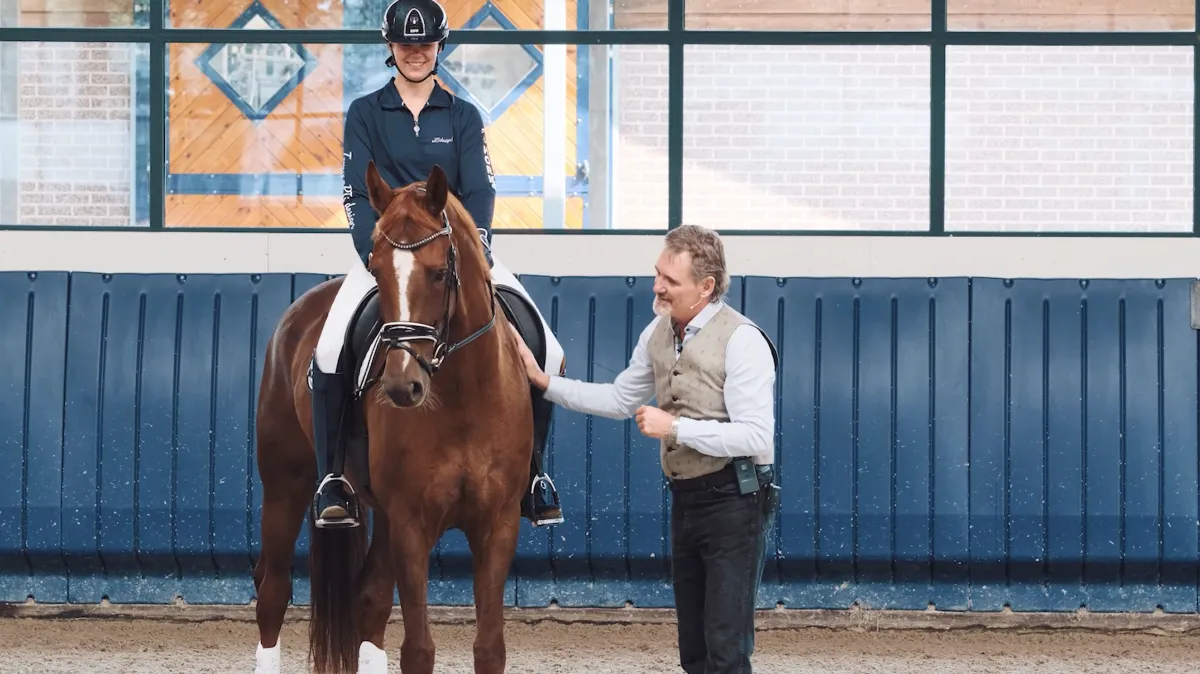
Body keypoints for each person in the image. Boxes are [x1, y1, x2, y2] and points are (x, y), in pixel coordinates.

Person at [308, 0, 566, 530]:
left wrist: (480, 252)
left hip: (454, 258)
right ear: (391, 48)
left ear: (439, 48)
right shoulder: (364, 113)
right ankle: (333, 476)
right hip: (388, 258)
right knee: (330, 347)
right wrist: (378, 256)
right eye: (407, 45)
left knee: (549, 346)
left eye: (425, 45)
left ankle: (536, 473)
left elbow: (480, 191)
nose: (416, 53)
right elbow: (358, 195)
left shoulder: (464, 115)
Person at [513, 224, 781, 674]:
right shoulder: (659, 331)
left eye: (670, 281)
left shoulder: (743, 340)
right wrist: (546, 384)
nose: (656, 286)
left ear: (706, 287)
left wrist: (675, 427)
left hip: (737, 500)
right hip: (689, 499)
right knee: (693, 648)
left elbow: (756, 437)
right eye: (658, 273)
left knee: (726, 645)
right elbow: (621, 398)